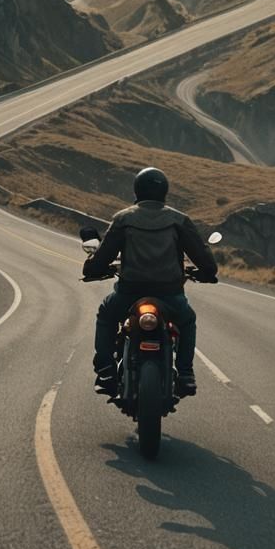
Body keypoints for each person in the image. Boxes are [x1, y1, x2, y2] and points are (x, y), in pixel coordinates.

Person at [84, 166, 217, 397]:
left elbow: (102, 258)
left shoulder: (123, 219)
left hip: (129, 293)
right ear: (164, 191)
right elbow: (206, 261)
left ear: (137, 190)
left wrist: (92, 267)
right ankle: (185, 373)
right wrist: (206, 272)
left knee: (106, 314)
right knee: (187, 320)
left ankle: (105, 369)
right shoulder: (179, 220)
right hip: (169, 295)